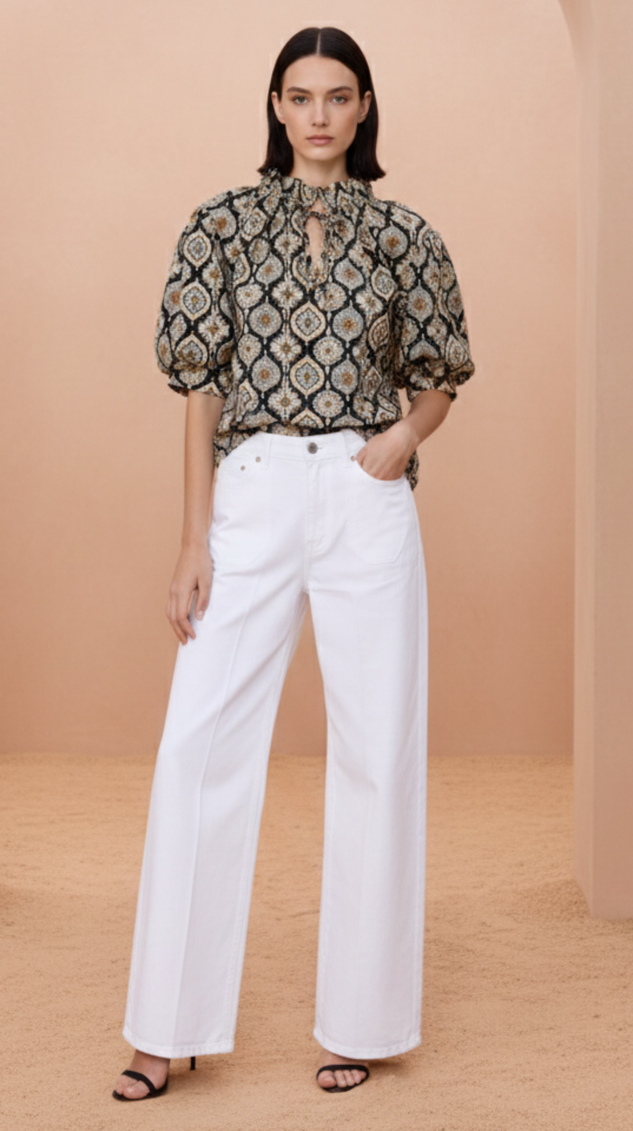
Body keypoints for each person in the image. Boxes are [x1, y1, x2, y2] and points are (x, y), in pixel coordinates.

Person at [113, 25, 474, 1101]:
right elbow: (200, 389)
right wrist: (194, 538)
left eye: (339, 96)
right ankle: (161, 1026)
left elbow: (443, 371)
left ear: (364, 110)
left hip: (365, 497)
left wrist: (401, 444)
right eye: (300, 95)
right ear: (276, 106)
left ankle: (360, 1021)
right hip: (256, 489)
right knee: (200, 743)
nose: (319, 114)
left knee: (377, 745)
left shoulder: (406, 234)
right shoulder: (219, 226)